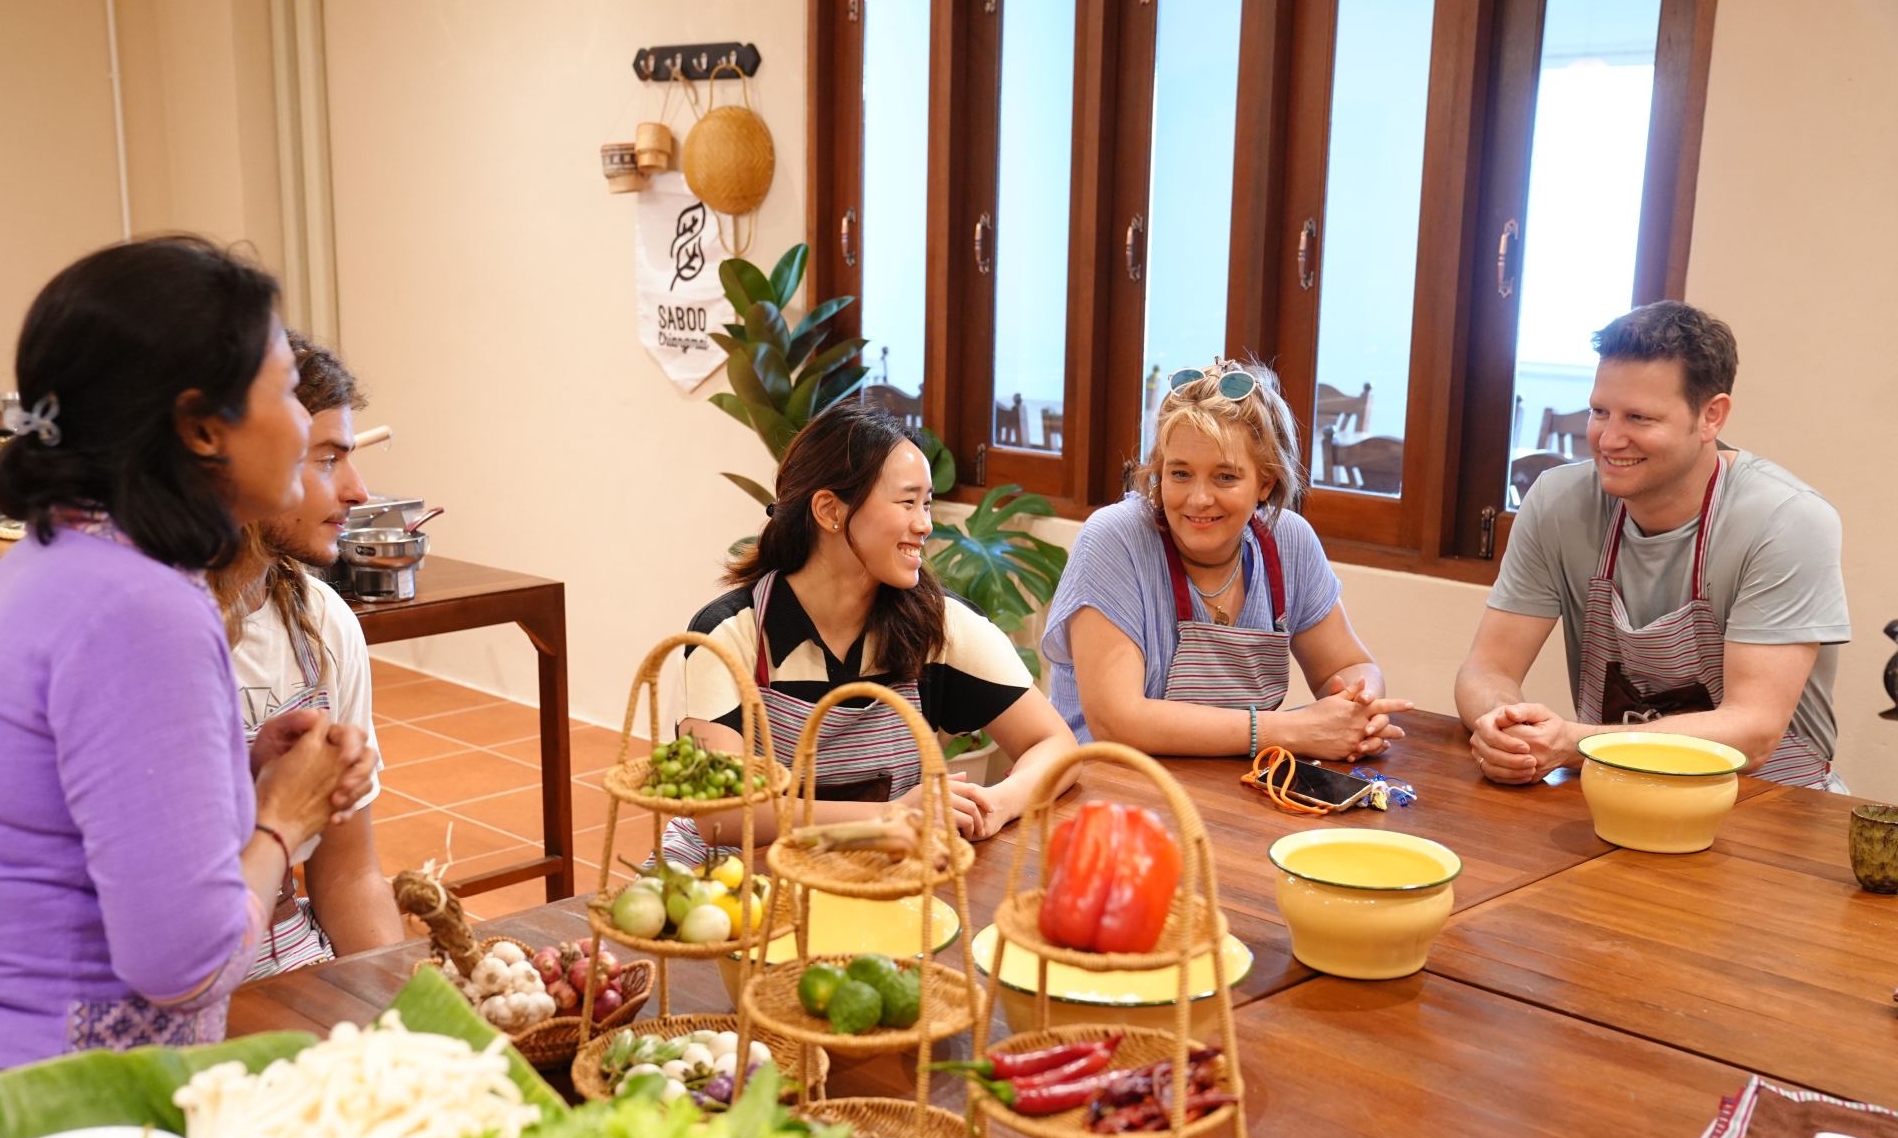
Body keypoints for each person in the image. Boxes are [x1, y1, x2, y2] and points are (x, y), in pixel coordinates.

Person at [0, 236, 372, 1086]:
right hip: (20, 1111)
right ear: (202, 426)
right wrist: (284, 815)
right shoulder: (143, 606)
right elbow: (186, 963)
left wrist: (235, 774)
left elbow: (72, 819)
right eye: (282, 389)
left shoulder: (65, 559)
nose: (301, 424)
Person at [1455, 300, 1849, 789]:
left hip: (1772, 807)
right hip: (1615, 792)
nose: (1609, 439)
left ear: (1711, 417)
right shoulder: (1559, 502)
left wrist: (1573, 744)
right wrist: (1503, 725)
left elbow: (1754, 732)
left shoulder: (1786, 520)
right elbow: (1487, 666)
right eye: (1600, 411)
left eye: (1639, 418)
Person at [664, 401, 1076, 865]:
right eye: (907, 502)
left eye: (927, 504)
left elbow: (1056, 745)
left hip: (877, 875)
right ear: (829, 510)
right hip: (729, 885)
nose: (925, 525)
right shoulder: (729, 634)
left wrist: (997, 804)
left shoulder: (940, 626)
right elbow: (720, 817)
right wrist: (885, 817)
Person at [1042, 357, 1409, 760]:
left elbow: (1349, 666)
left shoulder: (1289, 541)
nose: (1199, 499)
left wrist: (1358, 708)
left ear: (1266, 482)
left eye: (1225, 477)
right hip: (1105, 794)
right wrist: (1289, 730)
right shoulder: (1115, 538)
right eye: (1180, 474)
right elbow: (1118, 721)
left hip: (1232, 795)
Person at [209, 331, 402, 977]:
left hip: (289, 952)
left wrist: (403, 1014)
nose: (358, 491)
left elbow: (349, 875)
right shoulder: (161, 632)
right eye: (325, 459)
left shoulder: (323, 625)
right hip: (182, 981)